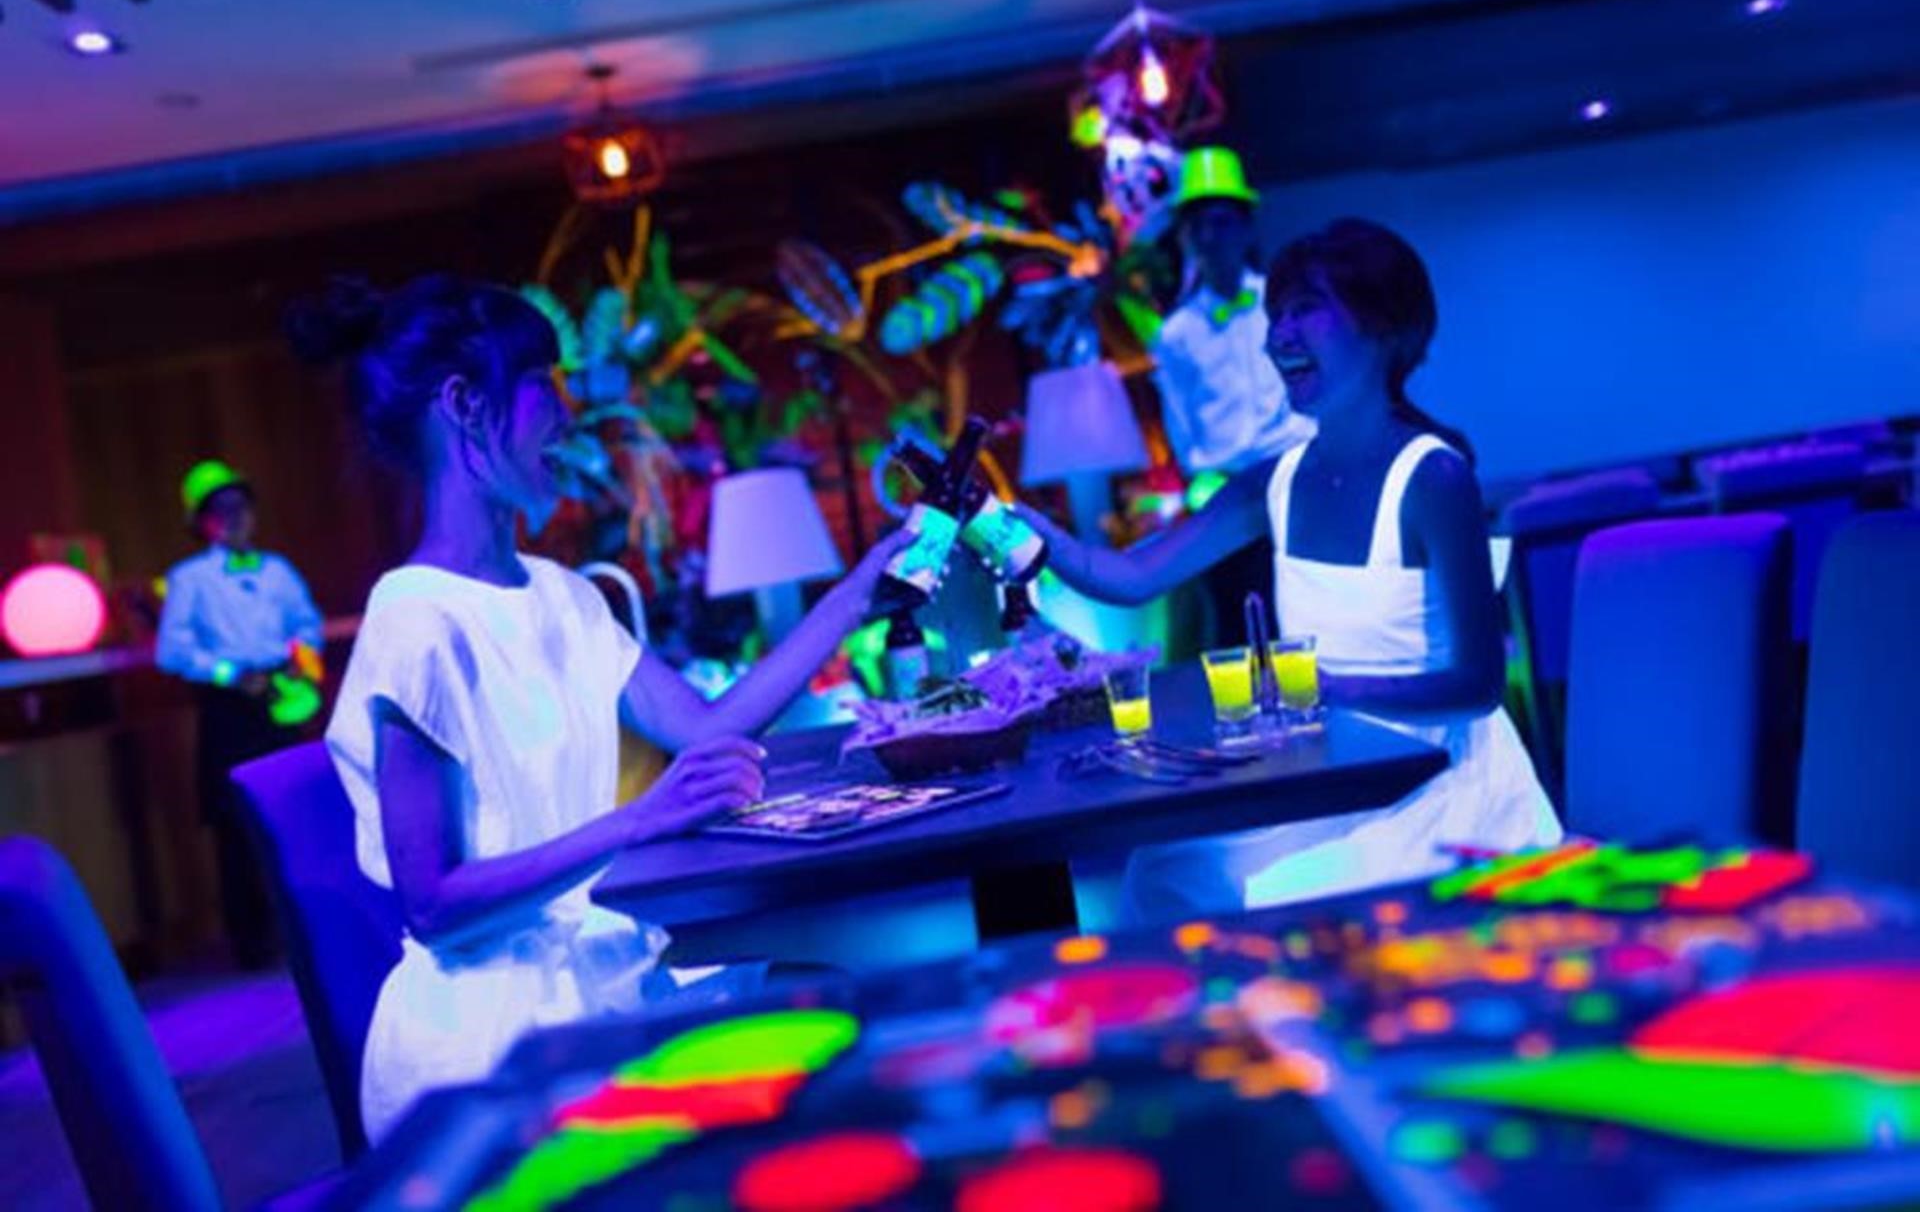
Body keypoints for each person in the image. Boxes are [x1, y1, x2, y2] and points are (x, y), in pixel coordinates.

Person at [288, 276, 911, 1141]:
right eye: (544, 381)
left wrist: (855, 597)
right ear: (467, 405)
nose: (567, 413)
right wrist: (641, 821)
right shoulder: (415, 622)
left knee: (835, 1002)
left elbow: (707, 727)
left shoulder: (565, 595)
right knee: (813, 1051)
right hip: (491, 1038)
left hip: (593, 977)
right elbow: (433, 904)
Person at [1025, 219, 1560, 920]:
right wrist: (1018, 530)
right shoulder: (1271, 482)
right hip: (1324, 772)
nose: (1278, 337)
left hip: (1433, 782)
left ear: (1382, 324)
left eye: (1305, 309)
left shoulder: (1434, 477)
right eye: (1275, 314)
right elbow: (1127, 578)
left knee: (1281, 893)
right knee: (1167, 871)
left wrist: (1331, 688)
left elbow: (1478, 687)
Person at [157, 459, 323, 968]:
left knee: (293, 812)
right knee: (235, 826)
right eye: (220, 508)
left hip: (280, 698)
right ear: (200, 521)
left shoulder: (277, 570)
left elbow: (307, 625)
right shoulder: (189, 579)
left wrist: (299, 664)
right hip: (228, 708)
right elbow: (173, 651)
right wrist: (231, 674)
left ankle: (306, 929)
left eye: (240, 505)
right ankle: (251, 943)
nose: (234, 516)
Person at [1150, 148, 1315, 640]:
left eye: (1221, 222)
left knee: (1309, 607)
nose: (1209, 236)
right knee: (1237, 620)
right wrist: (1204, 479)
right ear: (1184, 237)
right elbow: (1180, 423)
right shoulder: (1176, 334)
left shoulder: (1282, 304)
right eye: (1197, 226)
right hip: (1224, 489)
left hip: (1295, 471)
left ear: (1246, 228)